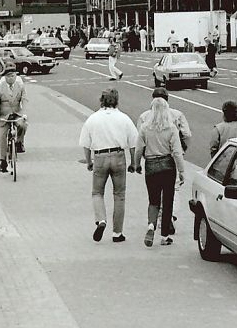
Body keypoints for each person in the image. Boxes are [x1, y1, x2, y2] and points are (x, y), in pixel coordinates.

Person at [79, 88, 138, 243]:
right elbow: (133, 143)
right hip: (119, 156)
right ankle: (117, 233)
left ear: (101, 100)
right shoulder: (124, 118)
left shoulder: (93, 118)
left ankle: (101, 220)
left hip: (100, 157)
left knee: (97, 192)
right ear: (117, 101)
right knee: (119, 195)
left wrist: (89, 161)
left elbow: (85, 143)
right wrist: (133, 162)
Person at [134, 97, 185, 246]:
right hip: (168, 165)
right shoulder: (171, 128)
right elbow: (177, 152)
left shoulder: (144, 128)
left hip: (151, 165)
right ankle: (164, 236)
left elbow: (138, 149)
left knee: (153, 200)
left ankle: (151, 225)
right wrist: (181, 171)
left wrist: (137, 165)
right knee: (168, 200)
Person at [0, 66, 27, 173]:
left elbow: (24, 99)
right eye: (8, 76)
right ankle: (3, 160)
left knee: (23, 125)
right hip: (3, 115)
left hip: (17, 113)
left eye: (13, 76)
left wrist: (24, 113)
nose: (11, 78)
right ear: (4, 77)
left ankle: (18, 143)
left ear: (16, 76)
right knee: (0, 137)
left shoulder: (20, 86)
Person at [138, 87, 192, 152]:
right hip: (172, 151)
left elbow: (139, 137)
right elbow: (186, 134)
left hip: (151, 153)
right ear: (167, 99)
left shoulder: (144, 116)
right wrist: (182, 149)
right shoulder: (178, 114)